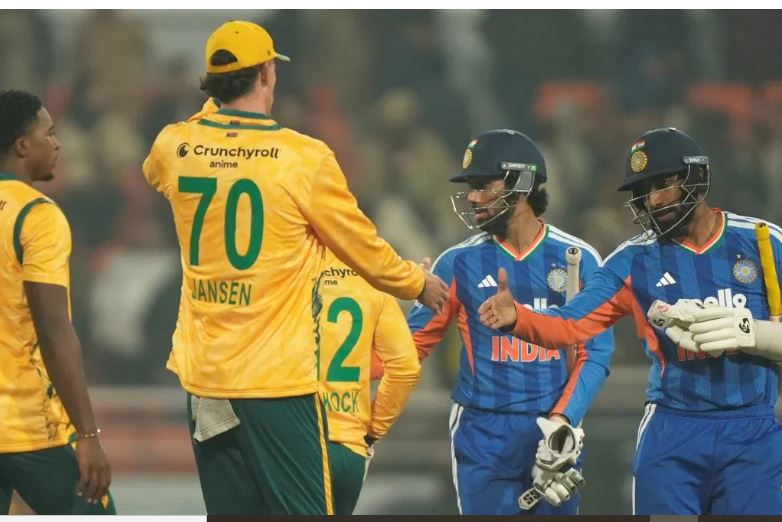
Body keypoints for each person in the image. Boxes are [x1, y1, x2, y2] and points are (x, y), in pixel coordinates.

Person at [142, 21, 447, 515]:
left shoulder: (175, 146)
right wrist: (417, 283)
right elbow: (362, 246)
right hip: (275, 381)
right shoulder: (303, 157)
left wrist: (215, 116)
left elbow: (159, 167)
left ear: (212, 84)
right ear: (267, 73)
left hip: (205, 380)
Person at [479, 127, 782, 515]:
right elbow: (571, 324)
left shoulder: (764, 241)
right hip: (672, 433)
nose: (653, 200)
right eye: (643, 192)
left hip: (754, 431)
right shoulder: (632, 259)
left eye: (663, 184)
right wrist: (518, 317)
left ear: (696, 176)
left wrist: (750, 331)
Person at [407, 129, 614, 515]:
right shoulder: (456, 263)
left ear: (520, 183)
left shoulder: (579, 258)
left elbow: (596, 353)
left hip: (554, 430)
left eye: (483, 185)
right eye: (470, 187)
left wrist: (562, 421)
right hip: (482, 433)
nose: (472, 197)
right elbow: (408, 348)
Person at [0, 89, 114, 514]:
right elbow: (53, 328)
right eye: (49, 133)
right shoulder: (37, 215)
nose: (58, 143)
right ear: (22, 145)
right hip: (29, 425)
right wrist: (88, 434)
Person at [317, 250, 422, 514]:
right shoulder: (373, 275)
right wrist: (372, 433)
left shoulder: (289, 268)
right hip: (350, 445)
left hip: (296, 442)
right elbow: (406, 368)